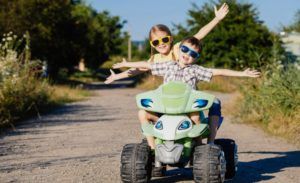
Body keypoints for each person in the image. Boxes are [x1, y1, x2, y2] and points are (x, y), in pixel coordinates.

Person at [112, 36, 260, 149]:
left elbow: (218, 71)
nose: (187, 54)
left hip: (187, 111)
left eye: (193, 54)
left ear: (196, 58)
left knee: (198, 114)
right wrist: (126, 64)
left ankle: (202, 147)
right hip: (166, 111)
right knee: (142, 113)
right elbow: (147, 65)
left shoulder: (196, 70)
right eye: (185, 49)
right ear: (179, 49)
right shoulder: (168, 66)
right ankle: (152, 149)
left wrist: (242, 74)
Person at [104, 3, 229, 84]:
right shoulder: (155, 59)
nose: (161, 44)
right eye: (156, 41)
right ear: (152, 44)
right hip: (170, 96)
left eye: (164, 39)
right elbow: (136, 70)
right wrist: (117, 77)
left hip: (187, 92)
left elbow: (199, 35)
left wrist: (216, 19)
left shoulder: (178, 49)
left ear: (170, 39)